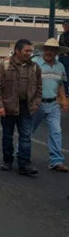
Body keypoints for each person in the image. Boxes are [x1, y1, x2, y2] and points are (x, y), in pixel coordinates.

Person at [0, 39, 42, 176]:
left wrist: (36, 103)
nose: (29, 53)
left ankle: (24, 164)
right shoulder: (5, 65)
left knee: (25, 136)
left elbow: (39, 87)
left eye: (30, 51)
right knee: (7, 136)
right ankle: (7, 161)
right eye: (27, 50)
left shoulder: (34, 67)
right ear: (17, 51)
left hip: (26, 107)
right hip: (8, 107)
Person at [31, 38, 69, 172]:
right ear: (43, 50)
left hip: (53, 103)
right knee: (28, 131)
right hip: (37, 103)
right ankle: (21, 154)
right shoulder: (35, 64)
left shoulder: (60, 66)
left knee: (56, 131)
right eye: (47, 49)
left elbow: (61, 84)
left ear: (56, 52)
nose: (49, 52)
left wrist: (63, 99)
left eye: (53, 50)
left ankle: (56, 161)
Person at [59, 20, 69, 97]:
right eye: (65, 25)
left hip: (67, 57)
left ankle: (66, 91)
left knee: (67, 74)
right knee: (61, 74)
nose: (66, 27)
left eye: (68, 25)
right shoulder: (62, 35)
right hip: (61, 56)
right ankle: (64, 91)